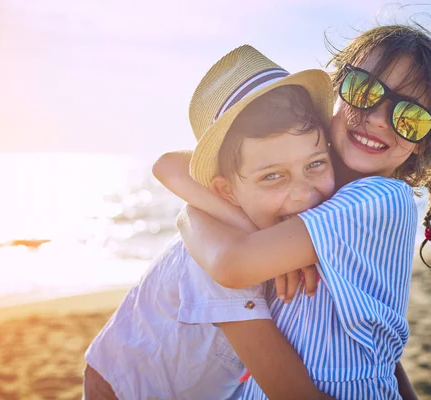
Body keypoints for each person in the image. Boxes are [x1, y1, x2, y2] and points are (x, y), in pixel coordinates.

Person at [171, 24, 431, 399]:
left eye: (410, 116)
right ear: (335, 90)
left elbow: (230, 264)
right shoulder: (318, 198)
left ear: (424, 143)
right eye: (364, 89)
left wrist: (196, 217)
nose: (377, 118)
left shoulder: (380, 199)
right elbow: (375, 339)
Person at [83, 45, 337, 400]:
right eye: (273, 176)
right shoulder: (219, 262)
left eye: (314, 164)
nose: (303, 196)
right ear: (226, 192)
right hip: (123, 385)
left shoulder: (313, 213)